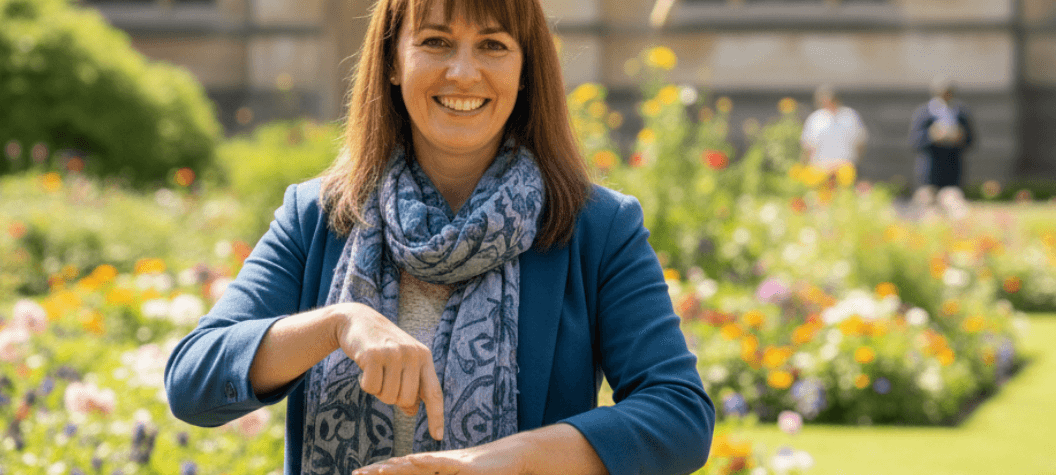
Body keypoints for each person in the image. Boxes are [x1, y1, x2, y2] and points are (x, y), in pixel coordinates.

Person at [164, 0, 715, 474]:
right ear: (393, 62)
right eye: (436, 41)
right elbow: (193, 380)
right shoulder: (318, 215)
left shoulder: (597, 226)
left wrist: (512, 459)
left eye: (493, 46)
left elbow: (679, 413)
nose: (463, 73)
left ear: (526, 70)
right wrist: (338, 323)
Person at [910, 76, 976, 193]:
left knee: (952, 198)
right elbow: (914, 141)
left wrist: (959, 137)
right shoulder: (924, 113)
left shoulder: (960, 113)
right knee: (928, 200)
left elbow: (971, 140)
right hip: (930, 169)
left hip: (953, 168)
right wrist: (932, 136)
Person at [800, 84, 868, 185]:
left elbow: (860, 142)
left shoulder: (850, 116)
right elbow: (807, 145)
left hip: (845, 165)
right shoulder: (815, 119)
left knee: (845, 187)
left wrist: (855, 163)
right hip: (820, 166)